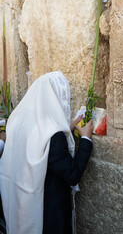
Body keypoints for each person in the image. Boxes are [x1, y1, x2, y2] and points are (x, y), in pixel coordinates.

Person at [0, 71, 93, 234]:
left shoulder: (16, 124)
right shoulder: (53, 135)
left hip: (21, 206)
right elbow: (72, 174)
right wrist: (85, 140)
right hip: (48, 215)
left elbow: (39, 145)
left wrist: (66, 131)